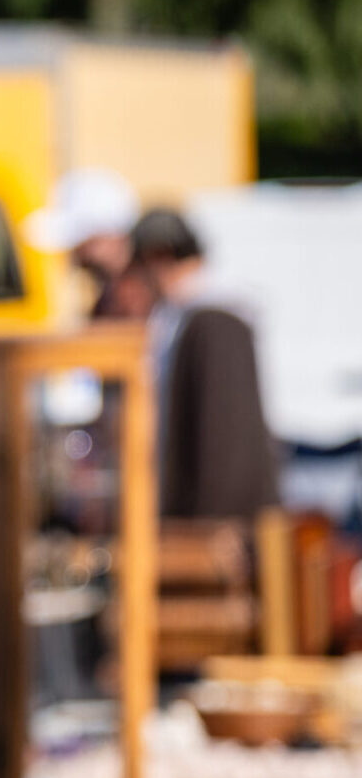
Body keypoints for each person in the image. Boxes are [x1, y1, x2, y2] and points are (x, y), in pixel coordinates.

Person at [124, 207, 281, 519]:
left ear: (160, 257)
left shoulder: (214, 321)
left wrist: (210, 527)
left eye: (141, 267)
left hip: (224, 522)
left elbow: (225, 436)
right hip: (215, 517)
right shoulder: (193, 317)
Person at [23, 167, 142, 320]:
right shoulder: (108, 300)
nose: (77, 256)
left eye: (85, 244)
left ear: (110, 238)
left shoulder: (133, 302)